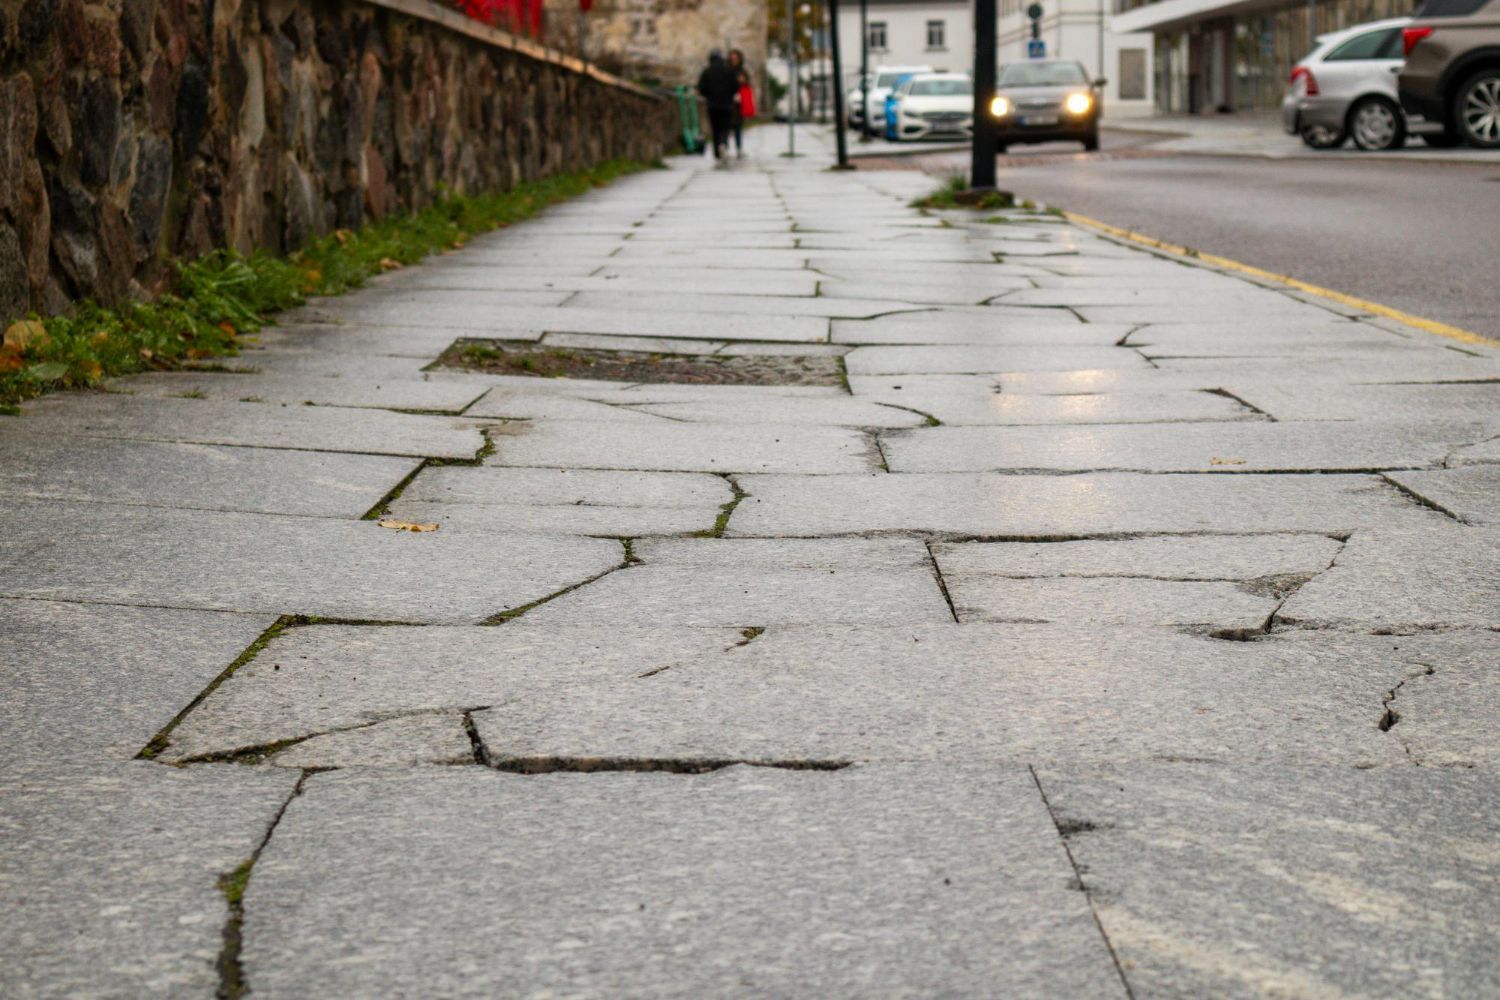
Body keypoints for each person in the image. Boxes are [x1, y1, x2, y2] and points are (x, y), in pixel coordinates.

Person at [697, 50, 739, 161]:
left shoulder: (707, 72)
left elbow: (701, 88)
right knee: (725, 127)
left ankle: (717, 152)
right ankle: (723, 143)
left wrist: (708, 95)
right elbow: (736, 87)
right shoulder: (729, 71)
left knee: (715, 128)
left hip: (712, 105)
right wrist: (729, 94)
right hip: (726, 104)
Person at [727, 49, 752, 158]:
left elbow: (747, 84)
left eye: (736, 58)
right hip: (728, 102)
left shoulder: (742, 71)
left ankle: (739, 148)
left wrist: (743, 81)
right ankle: (725, 148)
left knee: (737, 127)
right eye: (732, 58)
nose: (734, 60)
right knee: (727, 127)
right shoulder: (727, 70)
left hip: (738, 104)